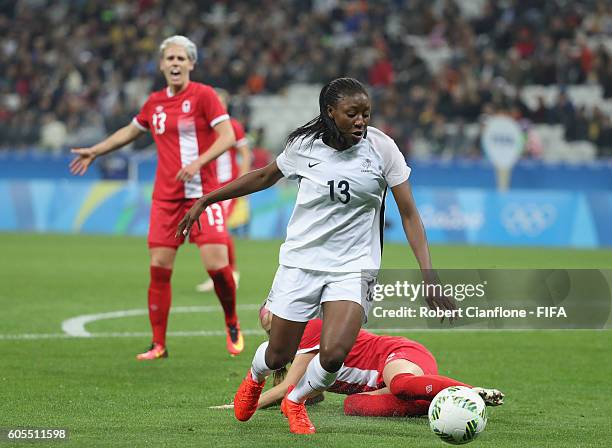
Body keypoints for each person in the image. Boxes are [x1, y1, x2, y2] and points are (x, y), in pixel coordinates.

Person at [177, 77, 456, 434]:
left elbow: (409, 214)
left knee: (335, 354)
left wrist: (428, 276)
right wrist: (206, 199)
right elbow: (263, 176)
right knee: (278, 354)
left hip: (353, 267)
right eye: (352, 113)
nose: (361, 121)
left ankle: (295, 401)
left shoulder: (383, 150)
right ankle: (255, 375)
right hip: (301, 263)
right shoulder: (303, 146)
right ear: (330, 113)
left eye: (366, 114)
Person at [69, 35, 244, 359]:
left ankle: (231, 321)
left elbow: (228, 135)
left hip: (203, 197)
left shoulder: (204, 95)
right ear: (162, 64)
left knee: (217, 267)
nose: (175, 64)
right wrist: (95, 150)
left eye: (181, 58)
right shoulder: (155, 102)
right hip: (166, 199)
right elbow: (130, 131)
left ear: (191, 63)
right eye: (170, 59)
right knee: (160, 268)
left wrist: (198, 162)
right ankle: (158, 343)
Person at [255, 304, 504, 416]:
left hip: (397, 354)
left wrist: (247, 405)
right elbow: (313, 393)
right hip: (381, 384)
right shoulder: (288, 349)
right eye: (270, 330)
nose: (274, 332)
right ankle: (445, 405)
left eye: (276, 323)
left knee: (402, 386)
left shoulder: (311, 328)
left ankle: (471, 392)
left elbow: (288, 388)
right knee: (353, 406)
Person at [196, 89, 251, 293]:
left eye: (220, 102)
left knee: (220, 229)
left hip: (228, 186)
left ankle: (231, 272)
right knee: (210, 230)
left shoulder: (233, 126)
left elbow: (245, 154)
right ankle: (217, 274)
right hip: (208, 186)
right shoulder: (203, 126)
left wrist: (243, 182)